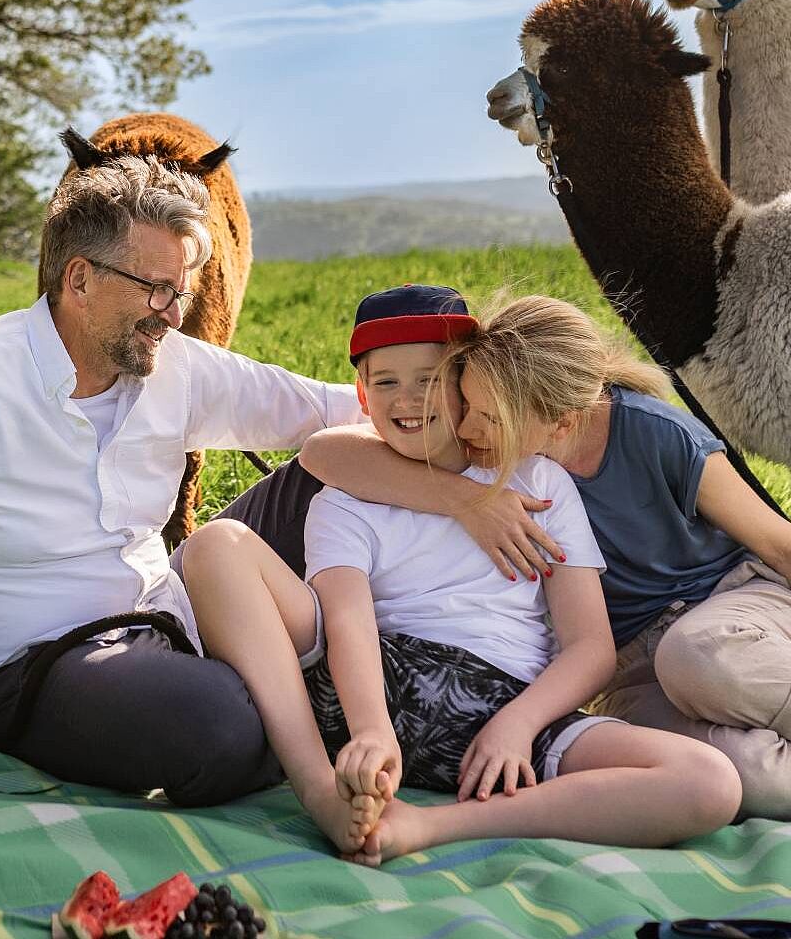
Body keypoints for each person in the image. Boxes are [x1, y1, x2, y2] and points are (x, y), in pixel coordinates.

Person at [0, 156, 368, 805]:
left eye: (181, 292)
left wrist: (466, 484)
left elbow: (333, 410)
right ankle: (329, 693)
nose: (173, 316)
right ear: (80, 279)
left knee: (325, 471)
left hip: (168, 610)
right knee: (224, 726)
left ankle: (368, 672)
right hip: (26, 671)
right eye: (155, 290)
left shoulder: (173, 367)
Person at [296, 296, 791, 821]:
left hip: (739, 612)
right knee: (744, 778)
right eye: (465, 405)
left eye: (486, 418)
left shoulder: (657, 436)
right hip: (634, 662)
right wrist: (461, 500)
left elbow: (785, 545)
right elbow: (325, 452)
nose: (466, 429)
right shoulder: (500, 458)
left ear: (559, 422)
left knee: (700, 655)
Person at [180, 286, 740, 864]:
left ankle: (431, 826)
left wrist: (519, 724)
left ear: (466, 386)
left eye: (430, 378)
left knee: (708, 782)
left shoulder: (536, 482)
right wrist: (372, 730)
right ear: (362, 396)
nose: (408, 399)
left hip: (511, 707)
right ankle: (321, 790)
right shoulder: (346, 500)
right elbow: (347, 619)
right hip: (368, 687)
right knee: (216, 544)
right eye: (386, 381)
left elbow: (591, 647)